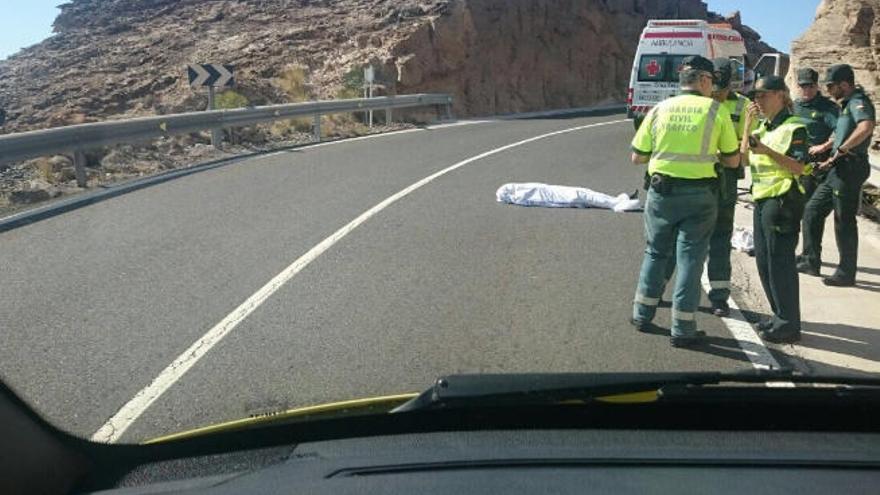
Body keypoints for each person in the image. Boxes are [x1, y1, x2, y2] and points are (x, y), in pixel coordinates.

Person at [629, 55, 740, 348]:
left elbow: (637, 156)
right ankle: (683, 328)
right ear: (703, 80)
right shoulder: (716, 111)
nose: (712, 86)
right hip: (700, 197)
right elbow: (732, 160)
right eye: (711, 81)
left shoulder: (660, 109)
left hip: (661, 193)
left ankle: (642, 314)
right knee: (690, 259)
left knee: (655, 253)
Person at [662, 58, 756, 317]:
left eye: (722, 89)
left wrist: (741, 139)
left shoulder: (743, 106)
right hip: (697, 179)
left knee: (720, 239)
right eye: (714, 87)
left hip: (725, 180)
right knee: (674, 238)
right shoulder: (694, 103)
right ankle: (657, 287)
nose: (717, 94)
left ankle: (719, 297)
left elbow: (747, 149)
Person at [744, 76, 809, 343]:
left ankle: (789, 325)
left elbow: (799, 167)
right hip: (762, 200)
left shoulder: (795, 127)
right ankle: (778, 315)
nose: (758, 101)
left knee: (780, 262)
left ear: (781, 95)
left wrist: (767, 150)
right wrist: (748, 126)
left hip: (783, 200)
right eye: (755, 97)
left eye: (763, 96)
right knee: (763, 261)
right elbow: (744, 159)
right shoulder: (764, 127)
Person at [799, 64, 876, 286]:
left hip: (850, 167)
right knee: (812, 210)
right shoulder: (845, 105)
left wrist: (842, 150)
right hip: (837, 167)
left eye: (831, 86)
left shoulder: (858, 102)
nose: (829, 90)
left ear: (844, 84)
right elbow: (843, 132)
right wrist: (828, 148)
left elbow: (866, 127)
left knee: (844, 220)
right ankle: (810, 260)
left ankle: (846, 272)